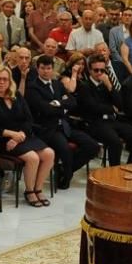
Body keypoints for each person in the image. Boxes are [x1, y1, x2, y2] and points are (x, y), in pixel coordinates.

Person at [0, 64, 55, 207]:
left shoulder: (16, 96)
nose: (2, 82)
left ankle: (38, 188)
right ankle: (29, 191)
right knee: (32, 157)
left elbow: (28, 119)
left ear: (10, 81)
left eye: (5, 79)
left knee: (49, 154)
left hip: (22, 137)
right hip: (2, 140)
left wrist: (20, 134)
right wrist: (12, 134)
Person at [25, 55, 99, 189]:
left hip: (65, 125)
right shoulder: (32, 88)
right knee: (65, 148)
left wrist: (58, 103)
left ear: (52, 69)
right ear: (37, 69)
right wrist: (63, 108)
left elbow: (72, 102)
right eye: (43, 68)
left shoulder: (57, 84)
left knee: (93, 146)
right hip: (47, 128)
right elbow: (45, 109)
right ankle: (65, 174)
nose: (46, 71)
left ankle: (65, 171)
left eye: (48, 68)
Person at [75, 54, 132, 166]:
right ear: (89, 70)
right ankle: (114, 174)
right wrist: (111, 108)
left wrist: (109, 86)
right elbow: (93, 107)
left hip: (112, 120)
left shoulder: (107, 83)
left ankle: (131, 168)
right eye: (96, 70)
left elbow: (120, 104)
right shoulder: (84, 86)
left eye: (102, 70)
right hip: (95, 123)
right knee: (116, 143)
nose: (99, 73)